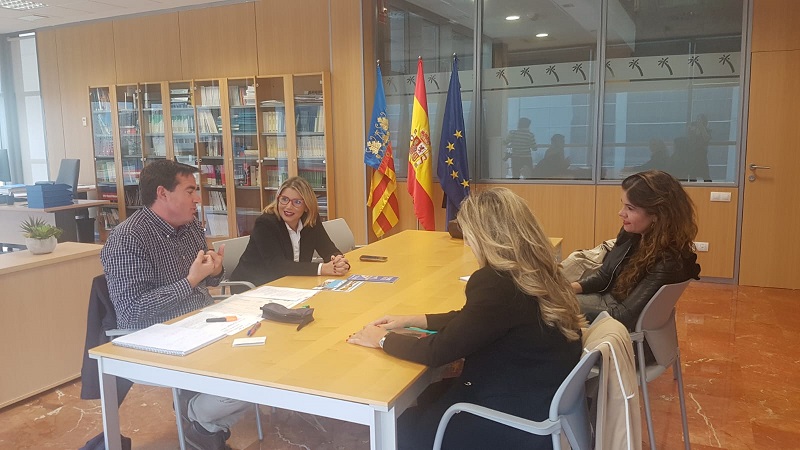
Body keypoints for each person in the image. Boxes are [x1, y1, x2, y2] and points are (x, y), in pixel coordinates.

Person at [347, 187, 588, 450]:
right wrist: (414, 320)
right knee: (425, 398)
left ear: (485, 236)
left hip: (503, 420)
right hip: (535, 401)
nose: (468, 244)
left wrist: (383, 339)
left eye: (469, 235)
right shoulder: (539, 272)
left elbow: (438, 352)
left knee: (390, 430)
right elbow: (475, 320)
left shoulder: (496, 282)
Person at [100, 160, 249, 450]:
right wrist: (190, 281)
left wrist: (215, 270)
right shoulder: (127, 239)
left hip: (202, 321)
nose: (198, 199)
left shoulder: (190, 226)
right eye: (190, 190)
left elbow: (207, 280)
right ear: (163, 193)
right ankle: (200, 418)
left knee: (269, 355)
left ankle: (201, 422)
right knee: (250, 375)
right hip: (157, 334)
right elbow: (132, 311)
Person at [572, 170, 701, 332]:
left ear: (657, 214)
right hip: (609, 302)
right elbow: (604, 276)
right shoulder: (632, 233)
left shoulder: (668, 261)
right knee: (547, 300)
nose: (621, 213)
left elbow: (624, 316)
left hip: (615, 316)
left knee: (546, 309)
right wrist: (568, 289)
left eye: (630, 208)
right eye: (623, 205)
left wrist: (563, 309)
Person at [230, 176, 350, 287]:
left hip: (291, 283)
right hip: (254, 286)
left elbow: (329, 249)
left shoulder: (310, 221)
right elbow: (278, 266)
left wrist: (339, 262)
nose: (288, 207)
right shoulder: (265, 224)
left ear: (307, 206)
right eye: (284, 199)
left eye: (297, 202)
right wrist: (321, 269)